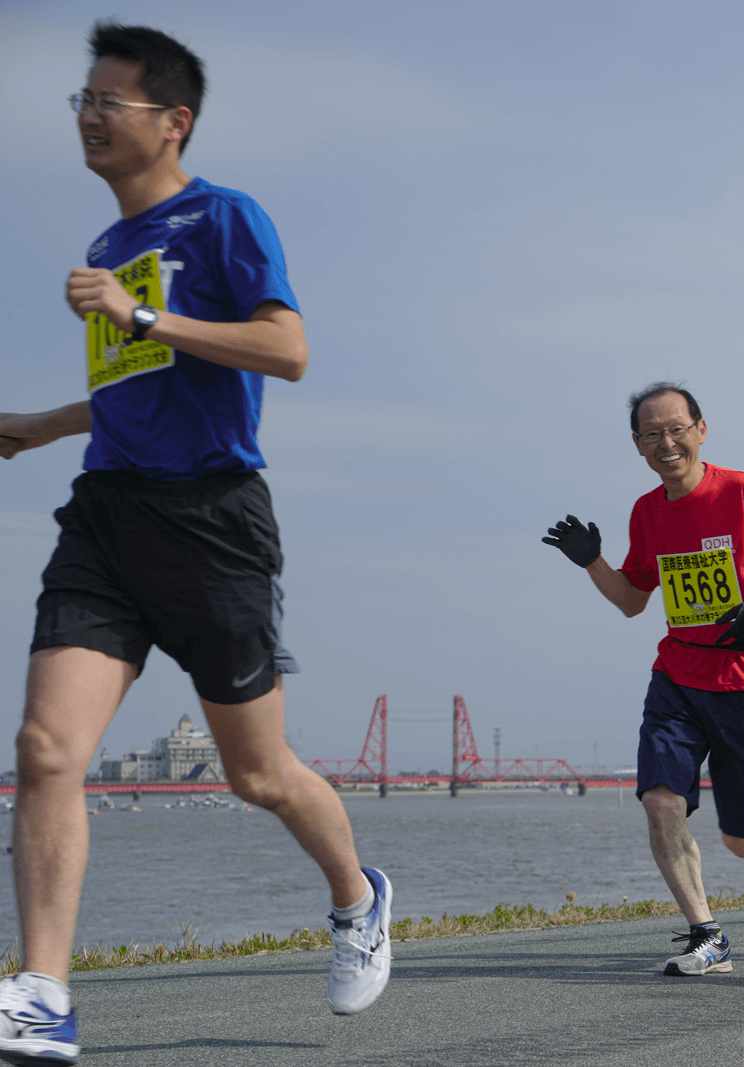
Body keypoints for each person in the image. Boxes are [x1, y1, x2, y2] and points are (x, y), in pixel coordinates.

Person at [0, 24, 392, 1063]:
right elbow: (137, 388)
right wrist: (42, 424)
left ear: (171, 121)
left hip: (214, 518)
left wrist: (142, 315)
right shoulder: (104, 250)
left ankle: (358, 894)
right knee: (45, 749)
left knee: (256, 774)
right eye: (79, 98)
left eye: (109, 101)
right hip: (107, 517)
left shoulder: (224, 217)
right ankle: (41, 990)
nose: (86, 115)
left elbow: (286, 348)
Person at [543, 383, 744, 977]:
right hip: (676, 674)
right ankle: (708, 937)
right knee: (659, 802)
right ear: (637, 446)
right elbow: (632, 601)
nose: (666, 443)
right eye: (651, 434)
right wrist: (591, 562)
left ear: (702, 430)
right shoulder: (647, 512)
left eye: (676, 428)